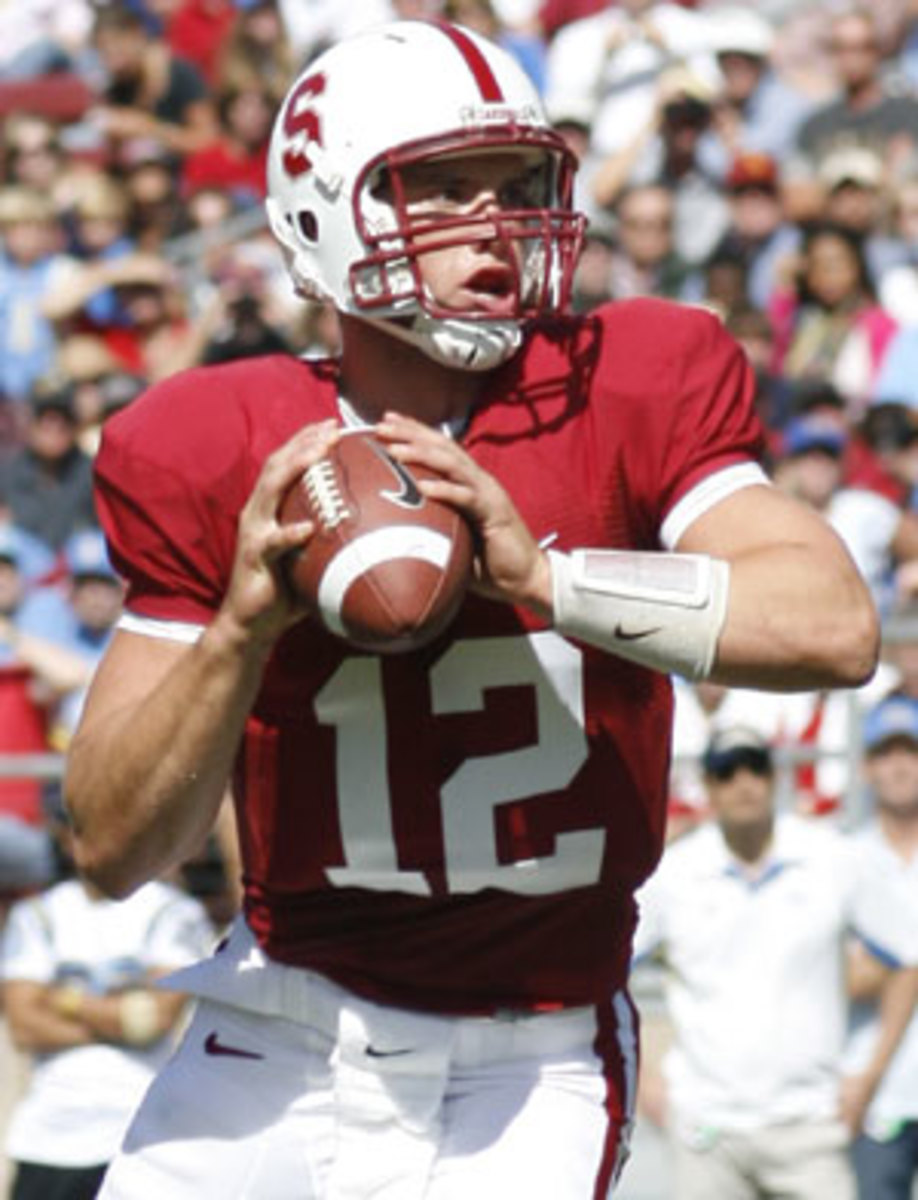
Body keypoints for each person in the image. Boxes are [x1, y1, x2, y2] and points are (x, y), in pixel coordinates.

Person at [63, 20, 879, 1199]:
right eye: (442, 190)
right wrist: (241, 629)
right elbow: (109, 847)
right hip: (279, 1025)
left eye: (519, 184)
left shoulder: (630, 375)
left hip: (532, 1053)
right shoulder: (213, 439)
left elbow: (834, 626)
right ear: (324, 212)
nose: (496, 224)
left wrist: (549, 581)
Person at [632, 725, 918, 1200]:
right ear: (707, 786)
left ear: (775, 778)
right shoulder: (675, 874)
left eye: (755, 766)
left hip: (810, 1124)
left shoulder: (830, 857)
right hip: (706, 1131)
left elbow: (908, 958)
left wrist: (868, 1076)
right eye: (726, 771)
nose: (743, 782)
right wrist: (643, 1082)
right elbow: (608, 971)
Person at [0, 809, 215, 1200]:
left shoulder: (173, 911)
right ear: (64, 836)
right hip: (45, 1139)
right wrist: (117, 1017)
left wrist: (59, 997)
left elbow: (151, 1020)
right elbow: (23, 1026)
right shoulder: (36, 914)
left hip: (138, 1135)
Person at [843, 695, 918, 1200]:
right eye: (885, 754)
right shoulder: (841, 860)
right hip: (877, 1096)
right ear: (867, 768)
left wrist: (886, 971)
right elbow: (842, 977)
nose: (898, 767)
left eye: (909, 751)